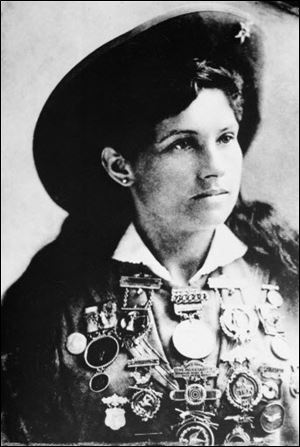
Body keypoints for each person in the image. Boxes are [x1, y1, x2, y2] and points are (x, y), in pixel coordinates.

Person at [2, 8, 299, 446]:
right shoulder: (55, 302)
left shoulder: (286, 275)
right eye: (182, 144)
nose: (215, 168)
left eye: (225, 138)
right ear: (121, 166)